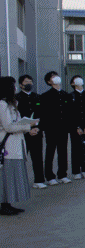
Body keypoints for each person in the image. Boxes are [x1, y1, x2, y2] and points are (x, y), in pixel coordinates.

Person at [0, 77, 38, 215]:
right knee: (6, 176)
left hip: (16, 143)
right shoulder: (2, 104)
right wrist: (28, 126)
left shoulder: (11, 103)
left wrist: (28, 127)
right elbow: (9, 126)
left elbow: (15, 123)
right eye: (13, 86)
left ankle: (8, 203)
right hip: (8, 145)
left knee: (11, 176)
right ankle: (4, 205)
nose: (15, 88)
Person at [39, 71, 72, 185]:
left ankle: (62, 174)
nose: (56, 78)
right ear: (49, 81)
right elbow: (43, 114)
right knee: (50, 152)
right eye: (53, 77)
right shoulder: (45, 96)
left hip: (63, 128)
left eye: (56, 76)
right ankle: (49, 176)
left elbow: (69, 112)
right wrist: (44, 127)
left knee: (63, 152)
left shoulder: (65, 95)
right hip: (51, 129)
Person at [15, 74, 46, 188]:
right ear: (20, 85)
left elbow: (43, 114)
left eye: (30, 81)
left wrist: (38, 128)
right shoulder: (16, 98)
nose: (29, 84)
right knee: (21, 158)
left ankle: (39, 180)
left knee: (37, 157)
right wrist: (27, 129)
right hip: (22, 133)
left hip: (36, 132)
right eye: (26, 82)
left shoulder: (37, 97)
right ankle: (20, 181)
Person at [68, 75, 85, 179]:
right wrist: (76, 127)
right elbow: (70, 113)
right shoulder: (70, 96)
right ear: (72, 83)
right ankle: (76, 171)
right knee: (76, 148)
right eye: (76, 79)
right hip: (75, 127)